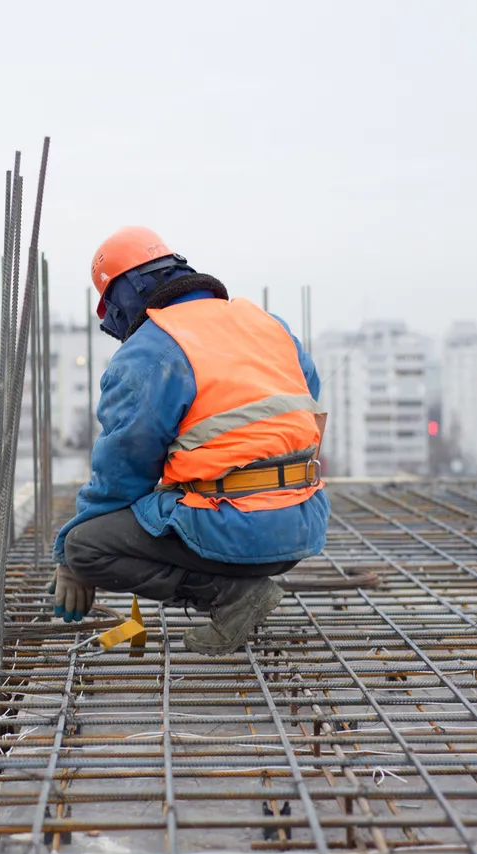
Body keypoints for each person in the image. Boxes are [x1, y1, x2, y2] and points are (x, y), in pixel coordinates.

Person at [47, 226, 329, 655]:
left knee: (86, 546)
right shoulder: (266, 322)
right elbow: (303, 392)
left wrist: (69, 556)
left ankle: (232, 594)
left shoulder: (149, 351)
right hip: (303, 522)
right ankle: (242, 583)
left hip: (234, 530)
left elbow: (121, 474)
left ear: (123, 297)